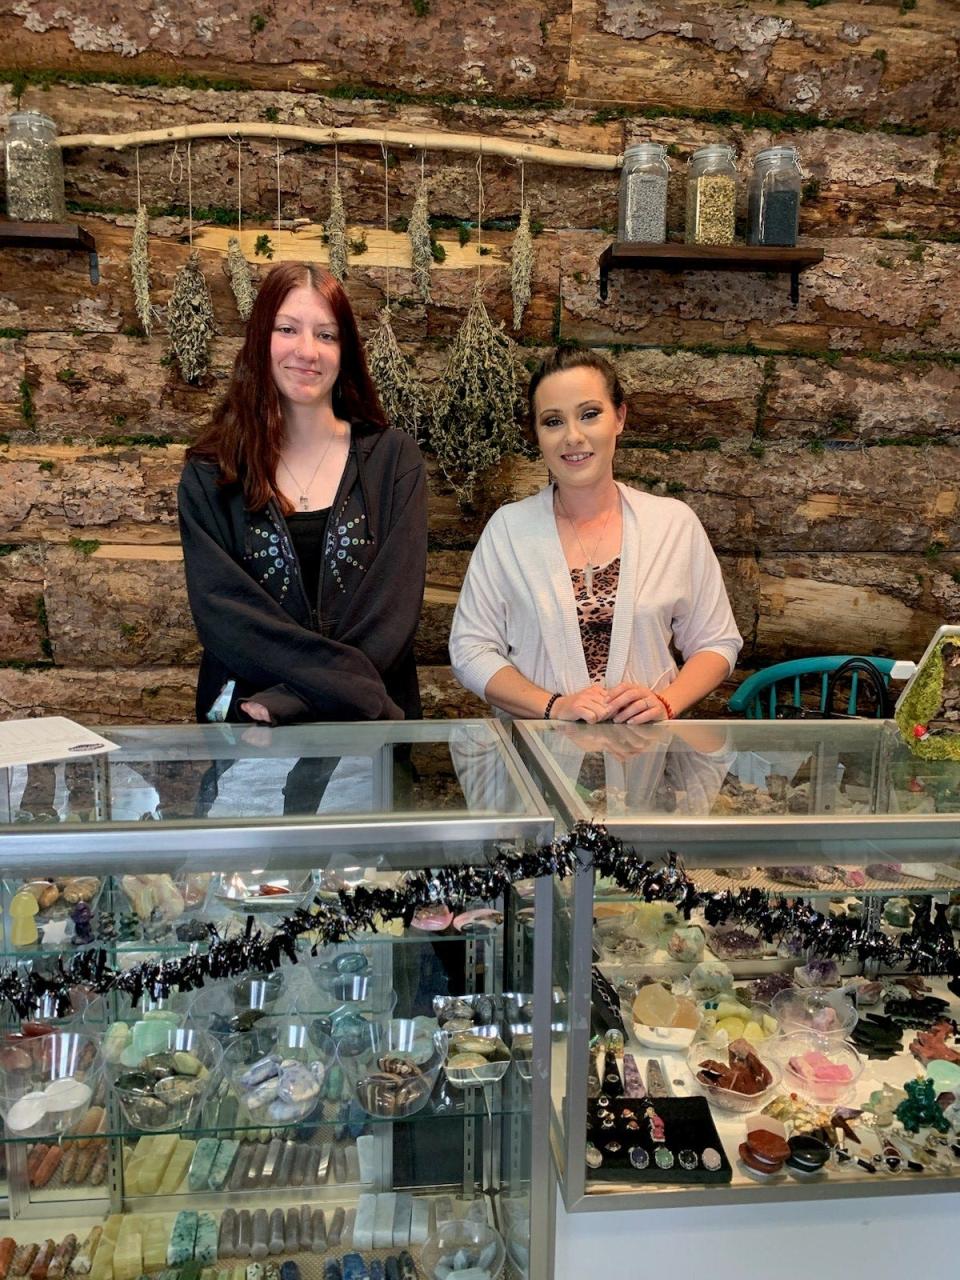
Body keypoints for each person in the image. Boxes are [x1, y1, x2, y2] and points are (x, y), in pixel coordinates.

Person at [178, 262, 427, 810]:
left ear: (346, 350)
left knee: (365, 890)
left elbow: (392, 611)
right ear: (259, 337)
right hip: (250, 738)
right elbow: (223, 611)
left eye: (326, 334)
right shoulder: (210, 471)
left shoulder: (392, 460)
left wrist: (292, 697)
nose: (306, 351)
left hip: (365, 739)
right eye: (287, 329)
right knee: (252, 892)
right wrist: (298, 696)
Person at [449, 346, 741, 725]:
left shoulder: (672, 525)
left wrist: (666, 702)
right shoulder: (508, 531)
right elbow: (470, 650)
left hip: (644, 766)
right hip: (538, 767)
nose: (572, 436)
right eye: (553, 421)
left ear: (619, 417)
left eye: (589, 415)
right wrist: (554, 705)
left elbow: (716, 642)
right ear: (536, 434)